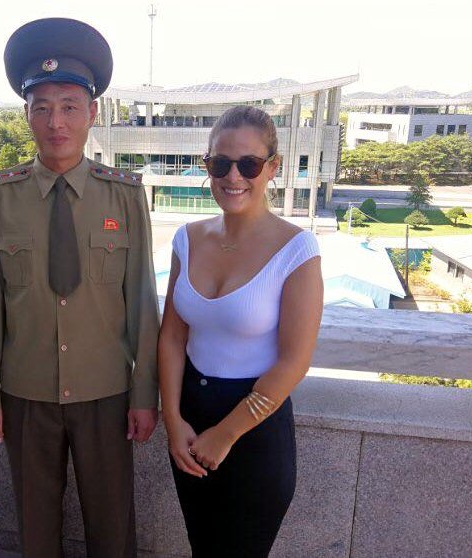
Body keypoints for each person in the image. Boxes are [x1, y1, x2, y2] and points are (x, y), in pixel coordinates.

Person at [0, 17, 160, 558]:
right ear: (26, 113)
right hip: (24, 393)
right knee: (35, 526)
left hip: (105, 393)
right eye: (42, 106)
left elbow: (143, 302)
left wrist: (146, 395)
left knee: (112, 526)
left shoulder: (123, 196)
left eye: (70, 106)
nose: (56, 121)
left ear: (92, 113)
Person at [158, 105, 324, 557]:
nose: (234, 176)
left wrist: (227, 434)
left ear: (273, 167)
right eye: (220, 163)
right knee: (202, 547)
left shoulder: (296, 248)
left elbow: (294, 362)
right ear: (207, 165)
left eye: (249, 164)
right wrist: (173, 422)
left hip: (254, 427)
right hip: (191, 419)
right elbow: (172, 337)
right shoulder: (187, 238)